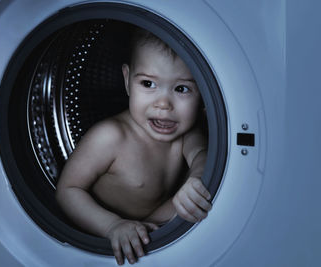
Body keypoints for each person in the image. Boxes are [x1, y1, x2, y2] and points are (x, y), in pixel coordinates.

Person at [55, 28, 212, 265]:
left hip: (156, 233)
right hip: (103, 241)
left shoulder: (185, 133)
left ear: (203, 96)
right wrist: (112, 226)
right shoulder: (110, 137)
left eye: (181, 89)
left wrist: (196, 179)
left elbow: (202, 155)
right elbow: (68, 191)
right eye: (148, 83)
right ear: (127, 80)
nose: (163, 104)